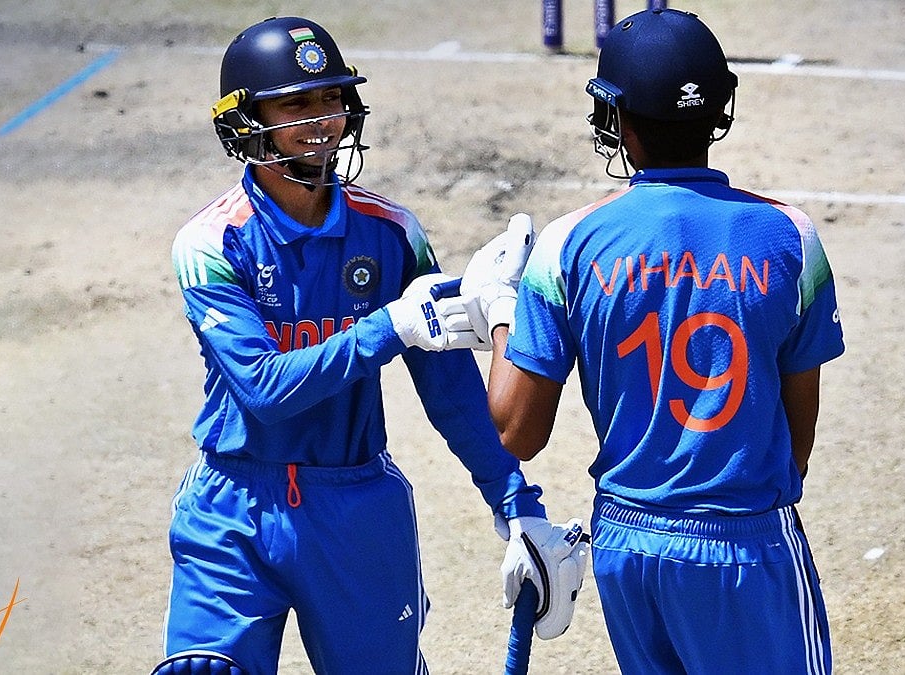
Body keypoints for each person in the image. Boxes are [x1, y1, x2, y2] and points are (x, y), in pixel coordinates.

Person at [156, 16, 578, 675]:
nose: (322, 120)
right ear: (245, 121)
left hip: (354, 506)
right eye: (296, 104)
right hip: (234, 504)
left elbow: (451, 389)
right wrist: (390, 326)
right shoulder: (211, 244)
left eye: (331, 98)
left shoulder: (392, 234)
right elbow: (264, 389)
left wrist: (516, 502)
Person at [462, 8, 845, 674]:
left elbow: (517, 431)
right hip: (745, 541)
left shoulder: (566, 245)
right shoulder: (792, 237)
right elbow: (798, 433)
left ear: (619, 119)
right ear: (720, 109)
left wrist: (500, 309)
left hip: (628, 545)